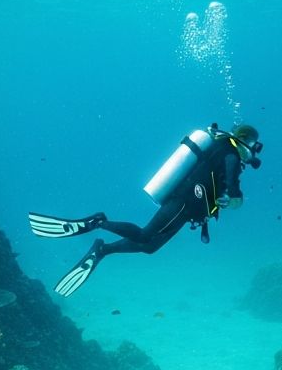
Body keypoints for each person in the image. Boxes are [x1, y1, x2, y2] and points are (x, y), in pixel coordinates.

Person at [29, 123, 263, 296]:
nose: (254, 152)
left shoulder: (222, 149)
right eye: (255, 146)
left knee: (150, 246)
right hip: (183, 202)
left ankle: (103, 249)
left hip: (188, 208)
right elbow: (233, 189)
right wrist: (233, 200)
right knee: (144, 235)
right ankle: (97, 222)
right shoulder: (230, 154)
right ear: (248, 142)